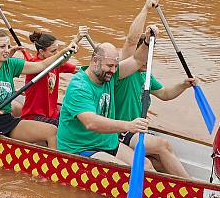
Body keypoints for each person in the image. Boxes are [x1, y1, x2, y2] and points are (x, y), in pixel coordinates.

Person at [0, 30, 79, 148]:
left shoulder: (10, 64)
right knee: (51, 131)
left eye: (8, 46)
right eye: (2, 47)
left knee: (52, 131)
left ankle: (53, 165)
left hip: (6, 119)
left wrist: (64, 51)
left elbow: (42, 65)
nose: (6, 51)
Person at [114, 0, 192, 178]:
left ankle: (175, 186)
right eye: (146, 54)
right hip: (120, 130)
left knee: (159, 159)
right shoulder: (124, 70)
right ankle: (190, 186)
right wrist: (145, 8)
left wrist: (183, 84)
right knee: (163, 146)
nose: (148, 59)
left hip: (136, 130)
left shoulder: (145, 75)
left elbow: (164, 94)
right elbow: (131, 41)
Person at [56, 28, 158, 169]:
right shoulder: (79, 86)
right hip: (81, 148)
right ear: (95, 61)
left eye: (116, 66)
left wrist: (147, 41)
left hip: (108, 143)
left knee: (146, 165)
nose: (114, 71)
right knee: (126, 172)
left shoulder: (109, 76)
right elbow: (91, 123)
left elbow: (137, 60)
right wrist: (128, 125)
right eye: (109, 66)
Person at [19, 30, 81, 125]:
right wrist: (72, 44)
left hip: (52, 113)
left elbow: (78, 70)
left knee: (77, 121)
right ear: (41, 51)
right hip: (34, 116)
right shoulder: (34, 65)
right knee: (65, 127)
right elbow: (60, 61)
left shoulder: (57, 62)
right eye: (53, 51)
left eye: (57, 50)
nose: (56, 53)